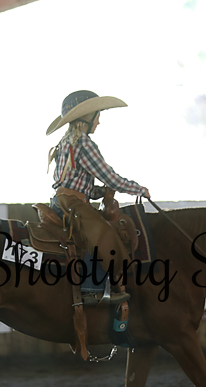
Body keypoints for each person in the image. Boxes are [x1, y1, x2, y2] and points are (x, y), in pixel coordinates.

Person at [46, 90, 150, 304]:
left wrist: (100, 192)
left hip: (61, 202)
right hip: (73, 204)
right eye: (97, 116)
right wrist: (138, 189)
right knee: (103, 234)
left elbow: (74, 184)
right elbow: (110, 177)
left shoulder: (65, 143)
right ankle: (91, 288)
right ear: (87, 117)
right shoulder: (84, 144)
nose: (99, 122)